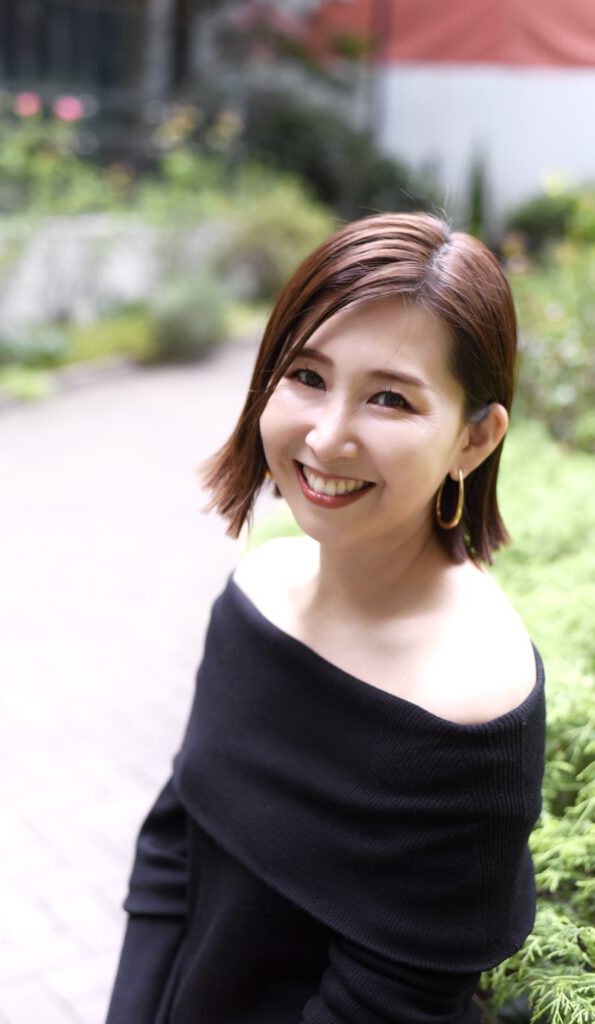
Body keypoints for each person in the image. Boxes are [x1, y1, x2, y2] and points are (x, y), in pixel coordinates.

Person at [105, 212, 546, 1024]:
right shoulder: (258, 592)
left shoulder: (467, 706)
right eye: (306, 375)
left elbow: (388, 1005)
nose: (326, 434)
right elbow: (172, 851)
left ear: (474, 441)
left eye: (390, 398)